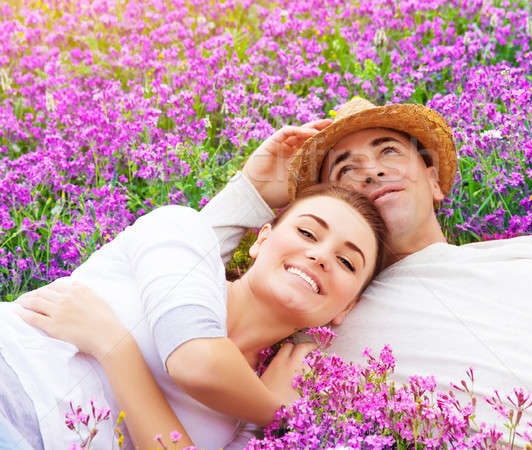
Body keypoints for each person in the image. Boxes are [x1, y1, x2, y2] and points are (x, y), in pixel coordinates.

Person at [195, 97, 532, 450]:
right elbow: (176, 297)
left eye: (388, 152)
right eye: (346, 170)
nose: (371, 171)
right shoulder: (322, 324)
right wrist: (250, 187)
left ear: (434, 181)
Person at [2, 184, 385, 450]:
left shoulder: (250, 417)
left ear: (345, 309)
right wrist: (278, 409)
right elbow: (196, 363)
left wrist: (113, 347)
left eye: (347, 262)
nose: (320, 256)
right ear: (262, 240)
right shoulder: (187, 236)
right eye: (307, 232)